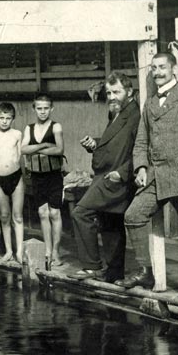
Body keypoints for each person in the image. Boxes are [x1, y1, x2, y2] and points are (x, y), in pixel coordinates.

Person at [119, 52, 178, 300]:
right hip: (156, 175)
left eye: (162, 67)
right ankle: (145, 272)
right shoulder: (149, 103)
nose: (157, 72)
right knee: (133, 215)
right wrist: (140, 167)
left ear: (174, 69)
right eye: (154, 68)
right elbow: (141, 142)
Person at [68, 71, 141, 283]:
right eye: (108, 92)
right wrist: (95, 143)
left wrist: (122, 173)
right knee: (110, 224)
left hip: (116, 178)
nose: (111, 96)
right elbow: (114, 142)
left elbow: (141, 149)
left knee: (80, 213)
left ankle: (92, 267)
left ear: (129, 92)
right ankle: (114, 273)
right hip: (107, 175)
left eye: (116, 92)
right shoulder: (116, 112)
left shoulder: (135, 116)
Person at [21, 94, 66, 267]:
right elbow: (23, 149)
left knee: (54, 213)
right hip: (37, 176)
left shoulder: (56, 127)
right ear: (34, 109)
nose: (42, 112)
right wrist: (44, 146)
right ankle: (47, 250)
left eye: (46, 108)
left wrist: (37, 150)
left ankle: (56, 251)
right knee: (42, 213)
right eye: (39, 108)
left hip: (53, 175)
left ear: (51, 108)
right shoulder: (29, 128)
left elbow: (60, 149)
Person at [0, 103, 25, 264]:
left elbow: (19, 156)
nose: (4, 121)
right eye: (1, 118)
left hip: (16, 178)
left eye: (8, 118)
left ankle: (20, 251)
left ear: (13, 119)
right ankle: (9, 251)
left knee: (17, 216)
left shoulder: (17, 134)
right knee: (4, 216)